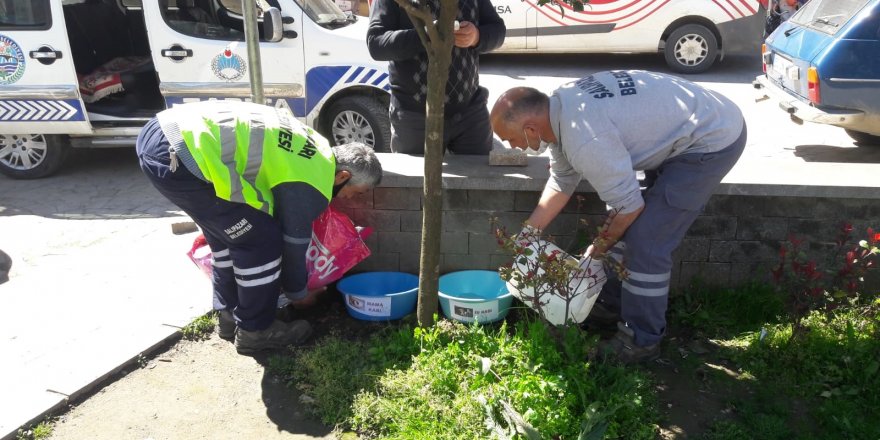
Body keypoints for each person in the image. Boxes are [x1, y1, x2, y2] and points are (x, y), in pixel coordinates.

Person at [490, 70, 747, 364]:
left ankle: (641, 341)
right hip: (684, 127)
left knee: (646, 241)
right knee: (629, 233)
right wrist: (526, 236)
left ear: (531, 129)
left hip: (712, 138)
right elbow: (562, 181)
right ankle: (611, 303)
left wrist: (596, 250)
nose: (510, 147)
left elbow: (629, 208)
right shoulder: (562, 112)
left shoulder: (585, 138)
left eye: (509, 139)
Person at [136, 101, 383, 355]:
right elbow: (294, 243)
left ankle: (229, 316)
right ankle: (256, 330)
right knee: (261, 240)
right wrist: (300, 293)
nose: (352, 199)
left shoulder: (317, 147)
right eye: (357, 192)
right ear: (342, 176)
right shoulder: (314, 181)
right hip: (181, 158)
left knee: (227, 237)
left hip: (163, 133)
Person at [367, 0, 505, 155]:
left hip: (470, 113)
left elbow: (498, 30)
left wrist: (477, 36)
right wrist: (425, 35)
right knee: (415, 177)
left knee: (479, 176)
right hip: (414, 116)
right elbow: (376, 43)